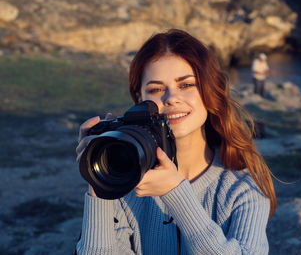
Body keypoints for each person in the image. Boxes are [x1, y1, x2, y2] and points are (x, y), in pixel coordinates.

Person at [75, 29, 276, 254]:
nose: (171, 98)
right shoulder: (125, 182)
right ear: (139, 99)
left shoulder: (242, 188)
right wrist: (99, 182)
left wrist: (176, 193)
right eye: (156, 89)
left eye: (186, 85)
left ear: (209, 91)